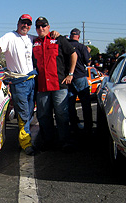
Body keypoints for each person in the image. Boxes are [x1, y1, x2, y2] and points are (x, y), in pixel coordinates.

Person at [0, 14, 39, 155]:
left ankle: (28, 138)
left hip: (32, 80)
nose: (25, 26)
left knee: (31, 111)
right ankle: (25, 144)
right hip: (19, 82)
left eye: (28, 24)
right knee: (23, 113)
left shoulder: (32, 38)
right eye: (23, 23)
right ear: (18, 23)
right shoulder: (9, 36)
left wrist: (54, 34)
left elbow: (47, 38)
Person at [32, 17, 77, 152]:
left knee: (62, 115)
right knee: (43, 116)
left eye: (43, 26)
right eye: (38, 26)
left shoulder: (59, 39)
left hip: (59, 85)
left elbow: (73, 54)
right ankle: (48, 141)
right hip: (42, 86)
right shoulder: (33, 42)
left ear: (48, 26)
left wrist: (71, 74)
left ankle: (65, 141)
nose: (41, 28)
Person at [67, 28, 92, 136]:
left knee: (70, 104)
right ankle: (88, 127)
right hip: (80, 77)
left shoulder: (66, 46)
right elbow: (88, 62)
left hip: (69, 78)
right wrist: (88, 52)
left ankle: (74, 125)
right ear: (78, 36)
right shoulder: (82, 47)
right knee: (86, 104)